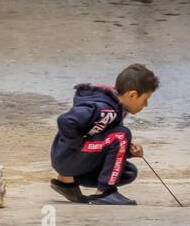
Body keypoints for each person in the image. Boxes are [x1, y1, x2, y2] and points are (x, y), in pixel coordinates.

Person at [49, 63, 159, 206]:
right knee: (121, 135)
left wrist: (129, 150)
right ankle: (105, 192)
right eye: (145, 99)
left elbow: (104, 139)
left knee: (128, 172)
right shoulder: (102, 108)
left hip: (72, 158)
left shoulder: (117, 108)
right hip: (68, 157)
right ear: (132, 95)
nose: (145, 105)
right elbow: (65, 121)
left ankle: (67, 183)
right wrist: (80, 145)